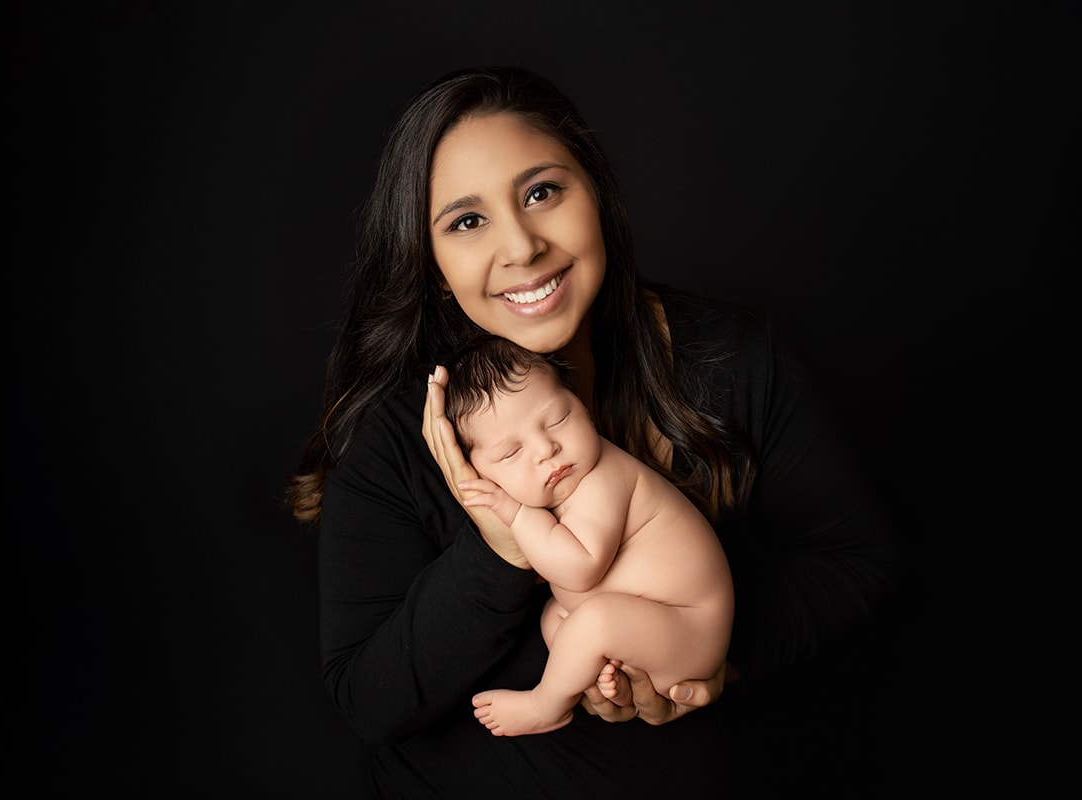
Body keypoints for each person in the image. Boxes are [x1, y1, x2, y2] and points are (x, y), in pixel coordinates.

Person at [285, 65, 902, 797]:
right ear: (433, 266)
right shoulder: (404, 430)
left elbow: (857, 560)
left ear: (597, 194)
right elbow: (369, 700)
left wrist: (707, 660)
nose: (521, 247)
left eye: (542, 192)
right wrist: (502, 549)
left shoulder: (733, 356)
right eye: (467, 221)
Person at [439, 334, 735, 737]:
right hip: (650, 631)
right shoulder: (563, 487)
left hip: (690, 628)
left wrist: (515, 512)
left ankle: (545, 706)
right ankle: (602, 675)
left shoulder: (603, 477)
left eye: (558, 419)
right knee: (556, 618)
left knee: (591, 622)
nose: (546, 448)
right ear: (476, 474)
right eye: (511, 453)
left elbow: (580, 570)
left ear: (583, 406)